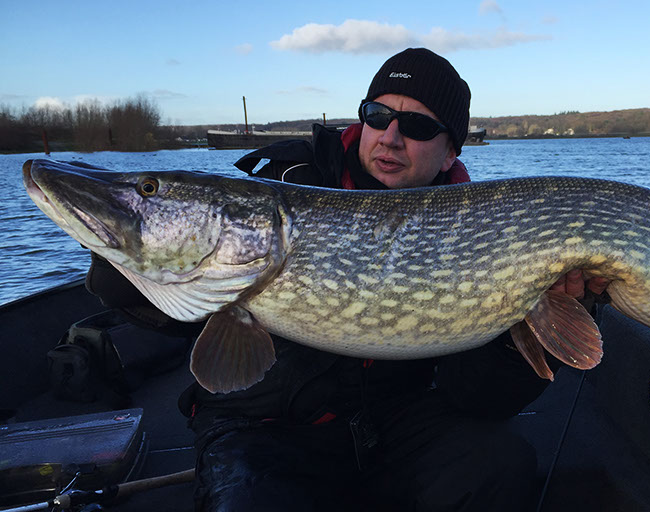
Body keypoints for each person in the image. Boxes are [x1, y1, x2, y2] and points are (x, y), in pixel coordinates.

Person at [86, 48, 609, 512]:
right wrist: (129, 260)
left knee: (497, 465)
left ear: (451, 151)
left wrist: (554, 316)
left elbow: (478, 397)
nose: (391, 136)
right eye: (377, 115)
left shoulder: (484, 228)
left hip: (397, 420)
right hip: (267, 428)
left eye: (418, 126)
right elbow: (171, 309)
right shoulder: (284, 185)